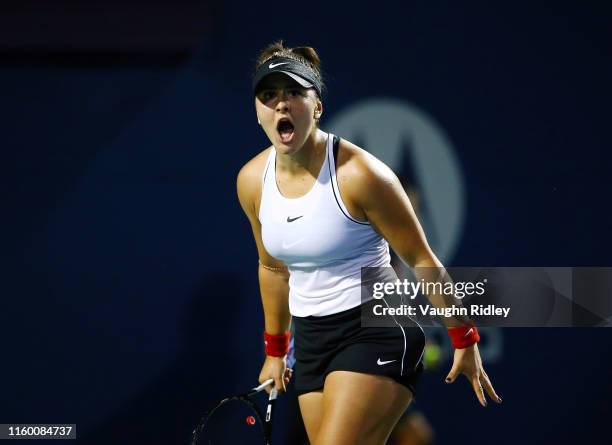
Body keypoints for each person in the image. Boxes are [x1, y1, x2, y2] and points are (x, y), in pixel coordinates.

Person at [236, 41, 502, 445]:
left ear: (317, 106)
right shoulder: (251, 181)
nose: (282, 105)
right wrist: (276, 351)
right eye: (269, 95)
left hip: (375, 328)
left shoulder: (361, 175)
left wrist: (462, 335)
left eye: (294, 93)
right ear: (257, 111)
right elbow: (273, 268)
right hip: (311, 342)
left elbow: (420, 257)